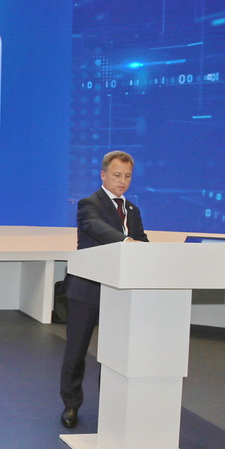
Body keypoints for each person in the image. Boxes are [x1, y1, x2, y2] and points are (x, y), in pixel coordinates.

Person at [59, 150, 148, 428]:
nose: (122, 181)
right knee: (76, 351)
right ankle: (71, 405)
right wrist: (127, 242)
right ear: (103, 175)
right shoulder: (89, 204)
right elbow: (95, 228)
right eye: (117, 175)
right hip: (87, 289)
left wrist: (147, 250)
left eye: (127, 176)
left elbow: (142, 241)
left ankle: (110, 405)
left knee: (114, 353)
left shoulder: (132, 210)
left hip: (120, 292)